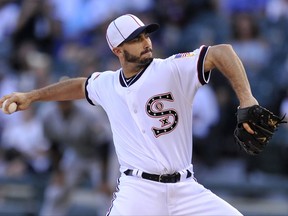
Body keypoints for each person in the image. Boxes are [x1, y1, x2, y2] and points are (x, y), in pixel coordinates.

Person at [1, 14, 259, 216]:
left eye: (146, 35)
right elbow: (78, 86)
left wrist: (247, 99)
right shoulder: (108, 84)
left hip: (186, 188)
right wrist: (32, 96)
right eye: (135, 39)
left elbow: (221, 52)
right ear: (118, 50)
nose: (146, 42)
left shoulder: (172, 69)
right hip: (138, 191)